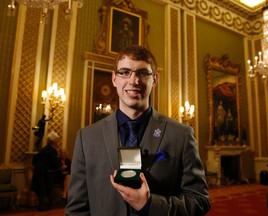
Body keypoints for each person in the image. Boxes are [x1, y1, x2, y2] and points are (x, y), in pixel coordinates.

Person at [65, 45, 210, 215]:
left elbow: (199, 201)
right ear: (114, 79)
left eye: (142, 73)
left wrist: (149, 205)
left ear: (154, 79)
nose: (133, 81)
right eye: (125, 72)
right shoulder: (87, 137)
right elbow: (76, 209)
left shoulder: (181, 135)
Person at [31, 131, 60, 211]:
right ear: (54, 141)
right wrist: (59, 167)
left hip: (38, 171)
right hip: (46, 172)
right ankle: (45, 205)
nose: (58, 142)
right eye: (57, 140)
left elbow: (34, 160)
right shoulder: (53, 150)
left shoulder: (43, 149)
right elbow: (55, 163)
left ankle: (41, 205)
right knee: (45, 189)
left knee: (40, 189)